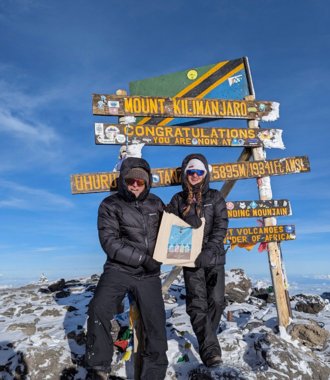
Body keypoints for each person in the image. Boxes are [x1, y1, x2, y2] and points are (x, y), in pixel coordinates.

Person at [86, 157, 168, 380]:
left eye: (140, 182)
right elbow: (110, 242)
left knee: (156, 324)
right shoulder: (110, 205)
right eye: (131, 180)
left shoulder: (157, 203)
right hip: (118, 269)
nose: (135, 185)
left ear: (147, 183)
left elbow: (172, 231)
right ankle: (99, 366)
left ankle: (154, 374)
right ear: (123, 180)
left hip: (149, 274)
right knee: (98, 309)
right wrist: (143, 258)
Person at [167, 153, 228, 368]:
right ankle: (210, 350)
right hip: (190, 258)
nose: (194, 175)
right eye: (191, 172)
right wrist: (185, 224)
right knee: (197, 303)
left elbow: (221, 226)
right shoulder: (178, 199)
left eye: (199, 172)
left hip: (214, 257)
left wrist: (209, 251)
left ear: (205, 173)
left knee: (218, 301)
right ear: (185, 174)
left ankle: (206, 339)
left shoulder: (215, 197)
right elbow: (168, 226)